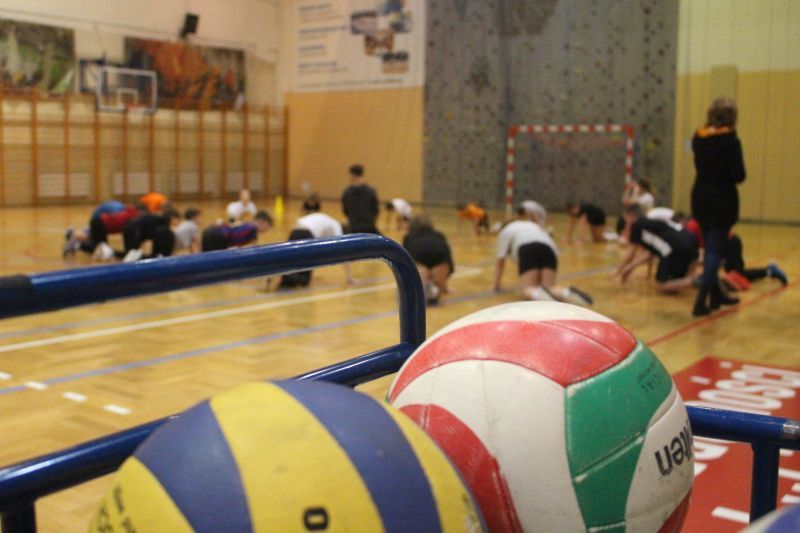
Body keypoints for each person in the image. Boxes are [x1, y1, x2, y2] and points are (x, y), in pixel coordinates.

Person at [690, 97, 747, 316]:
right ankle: (700, 301)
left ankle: (716, 295)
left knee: (711, 247)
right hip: (722, 199)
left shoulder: (699, 137)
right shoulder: (731, 141)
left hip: (700, 196)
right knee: (714, 251)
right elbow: (739, 175)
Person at [494, 207, 592, 305]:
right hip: (549, 248)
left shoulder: (505, 231)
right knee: (550, 287)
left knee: (528, 289)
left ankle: (547, 300)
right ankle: (566, 292)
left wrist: (496, 285)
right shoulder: (532, 225)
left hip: (528, 247)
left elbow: (500, 261)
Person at [683, 218, 787, 290]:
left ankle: (769, 270)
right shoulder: (691, 227)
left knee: (737, 276)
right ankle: (769, 271)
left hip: (730, 244)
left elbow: (694, 256)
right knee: (737, 274)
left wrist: (689, 276)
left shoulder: (690, 228)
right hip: (724, 244)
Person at [616, 205, 699, 293]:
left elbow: (630, 254)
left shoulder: (636, 226)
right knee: (681, 284)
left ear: (631, 216)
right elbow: (649, 254)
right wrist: (629, 267)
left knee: (660, 286)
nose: (626, 225)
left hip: (676, 247)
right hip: (691, 240)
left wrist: (619, 271)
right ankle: (698, 279)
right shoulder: (649, 224)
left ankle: (700, 280)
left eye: (626, 220)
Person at [278, 205, 346, 289]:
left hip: (294, 231)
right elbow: (343, 251)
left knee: (291, 259)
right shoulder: (336, 225)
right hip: (306, 233)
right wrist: (350, 278)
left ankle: (286, 280)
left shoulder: (325, 218)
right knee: (307, 265)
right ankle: (298, 280)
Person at [403, 215, 454, 305]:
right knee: (433, 292)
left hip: (422, 263)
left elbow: (406, 259)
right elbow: (447, 256)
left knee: (421, 293)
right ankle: (438, 290)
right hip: (440, 263)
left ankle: (430, 289)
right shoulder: (439, 235)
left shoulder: (408, 237)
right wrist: (445, 281)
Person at [201, 211, 273, 252]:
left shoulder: (246, 223)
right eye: (267, 227)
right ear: (262, 222)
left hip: (210, 231)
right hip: (219, 236)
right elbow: (253, 248)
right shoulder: (253, 229)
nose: (265, 231)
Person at [341, 164, 379, 234]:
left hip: (354, 226)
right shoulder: (371, 191)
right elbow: (375, 210)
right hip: (369, 227)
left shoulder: (347, 192)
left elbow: (345, 210)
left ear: (352, 176)